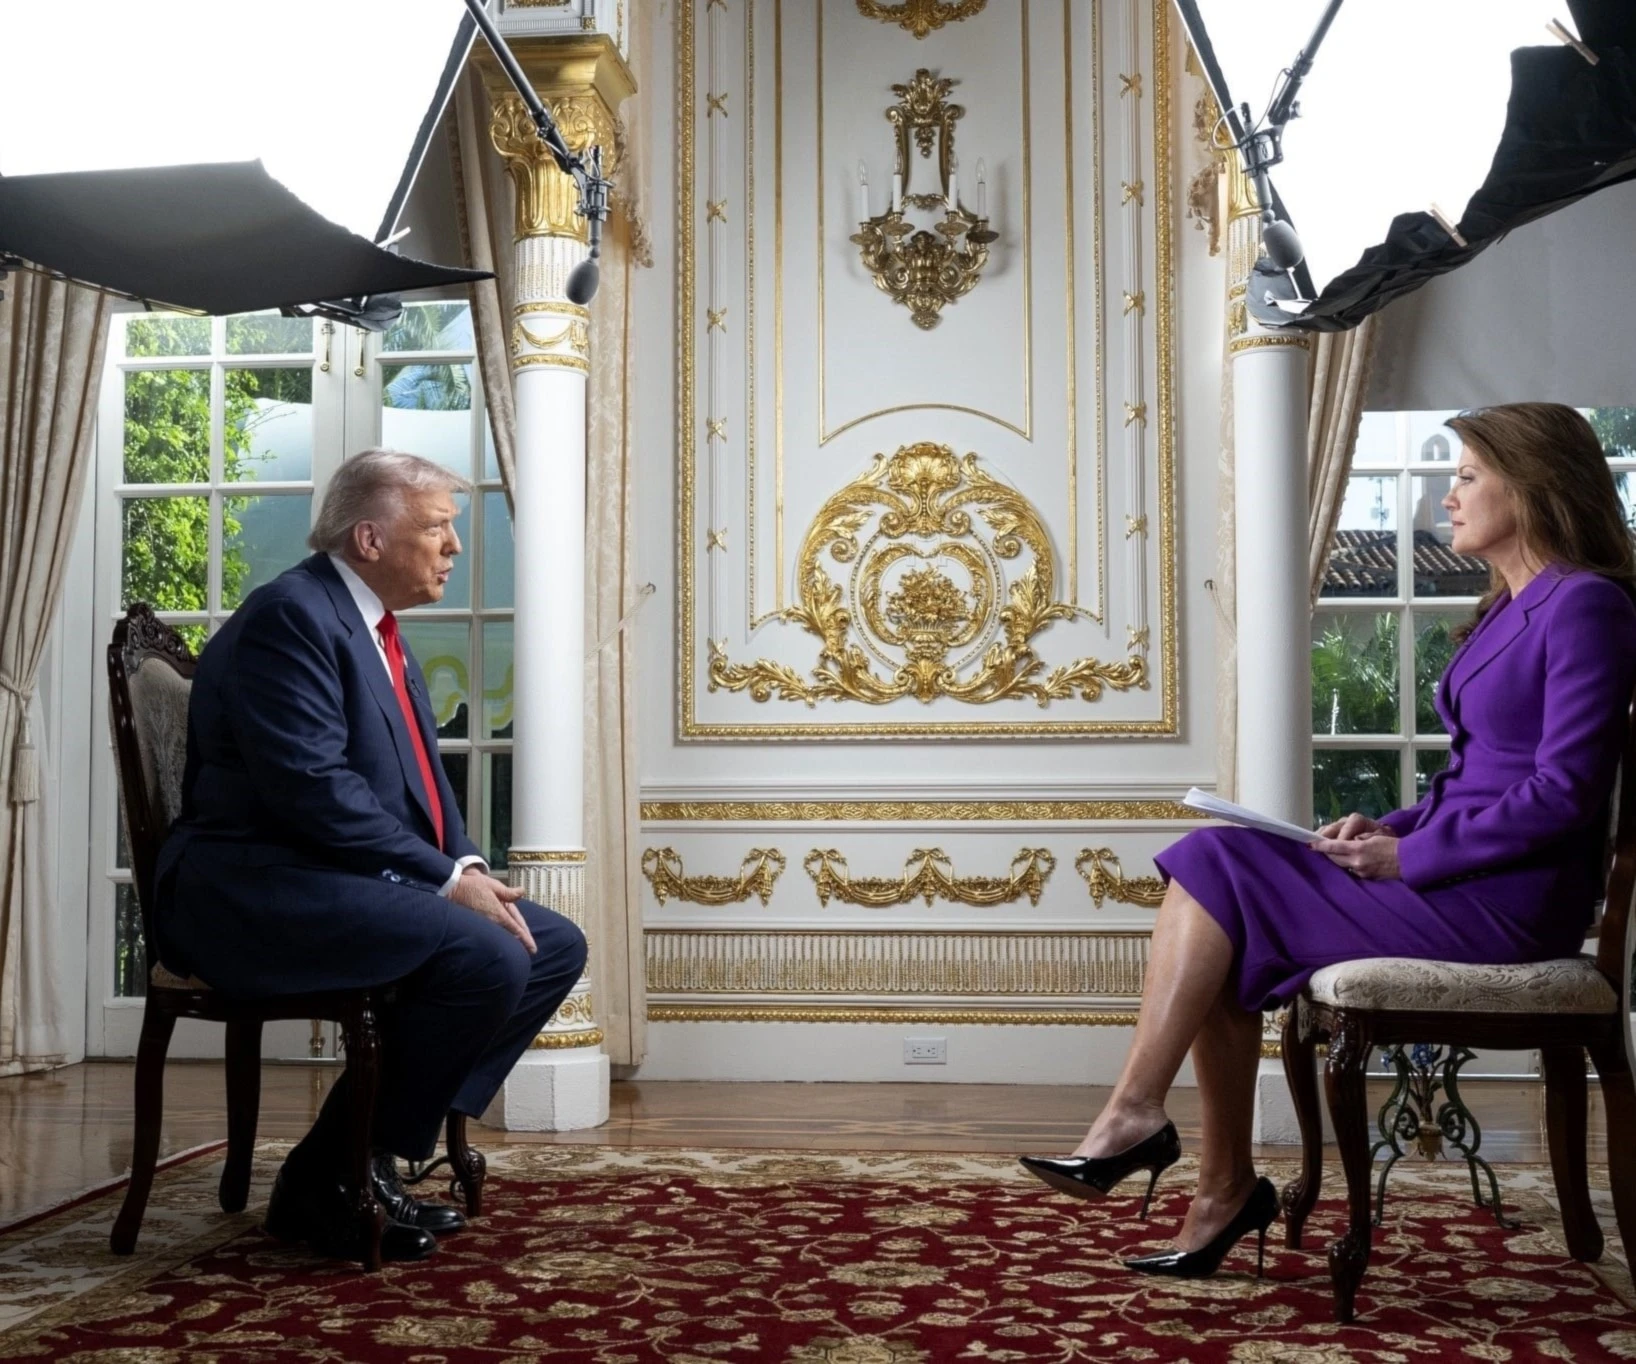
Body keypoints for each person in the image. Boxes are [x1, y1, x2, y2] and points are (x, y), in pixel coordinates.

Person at [1020, 402, 1636, 1278]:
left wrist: (1408, 858)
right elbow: (1473, 779)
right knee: (1223, 907)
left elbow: (1564, 795)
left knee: (1213, 862)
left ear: (1532, 486)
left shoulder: (1586, 606)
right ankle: (1217, 1186)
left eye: (1467, 476)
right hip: (1460, 876)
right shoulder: (1510, 604)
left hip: (1511, 903)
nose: (1449, 496)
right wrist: (1387, 828)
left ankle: (1143, 1123)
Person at [154, 448, 588, 1264]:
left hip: (325, 877)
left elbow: (423, 786)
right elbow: (311, 789)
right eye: (438, 528)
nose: (454, 547)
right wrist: (441, 880)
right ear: (370, 538)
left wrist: (464, 865)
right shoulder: (291, 617)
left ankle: (360, 1156)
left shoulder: (375, 627)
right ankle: (335, 1179)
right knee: (488, 956)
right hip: (253, 890)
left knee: (552, 944)